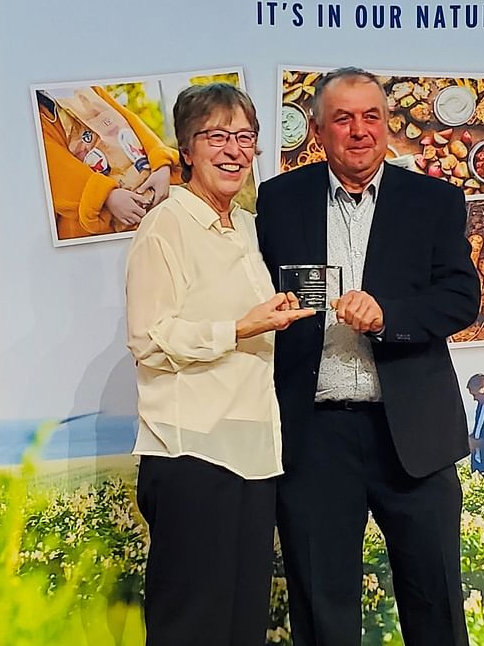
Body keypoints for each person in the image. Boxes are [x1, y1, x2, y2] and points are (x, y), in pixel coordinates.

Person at [256, 67, 481, 646]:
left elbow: (460, 297)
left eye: (372, 116)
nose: (360, 131)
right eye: (343, 118)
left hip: (414, 436)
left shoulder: (434, 200)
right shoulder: (278, 201)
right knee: (321, 612)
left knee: (436, 607)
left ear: (385, 123)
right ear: (317, 129)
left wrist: (389, 317)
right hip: (315, 438)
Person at [125, 83, 314, 646]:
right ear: (186, 148)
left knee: (241, 624)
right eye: (217, 137)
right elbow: (149, 339)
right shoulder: (166, 226)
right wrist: (240, 327)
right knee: (192, 625)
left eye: (245, 137)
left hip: (253, 450)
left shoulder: (252, 229)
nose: (233, 150)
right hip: (192, 451)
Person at [39, 85, 176, 240]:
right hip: (91, 234)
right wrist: (107, 196)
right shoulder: (38, 115)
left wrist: (162, 165)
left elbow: (131, 123)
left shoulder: (92, 89)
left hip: (149, 212)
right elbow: (56, 168)